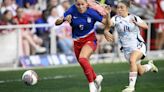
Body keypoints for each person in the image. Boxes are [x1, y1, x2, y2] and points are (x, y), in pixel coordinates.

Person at [104, 0, 158, 92]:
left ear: (127, 8)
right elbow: (108, 25)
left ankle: (131, 87)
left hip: (138, 45)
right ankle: (149, 66)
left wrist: (137, 23)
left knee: (133, 60)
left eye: (122, 7)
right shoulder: (116, 18)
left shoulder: (134, 17)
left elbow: (146, 26)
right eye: (118, 7)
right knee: (140, 71)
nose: (119, 9)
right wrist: (108, 15)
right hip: (127, 50)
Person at [55, 0, 109, 92]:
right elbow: (57, 22)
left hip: (90, 40)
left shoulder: (92, 12)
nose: (80, 6)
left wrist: (107, 18)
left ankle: (91, 86)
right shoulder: (72, 10)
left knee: (82, 59)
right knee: (84, 63)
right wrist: (64, 19)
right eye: (78, 4)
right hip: (77, 42)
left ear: (87, 4)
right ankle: (96, 79)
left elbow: (107, 23)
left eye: (82, 4)